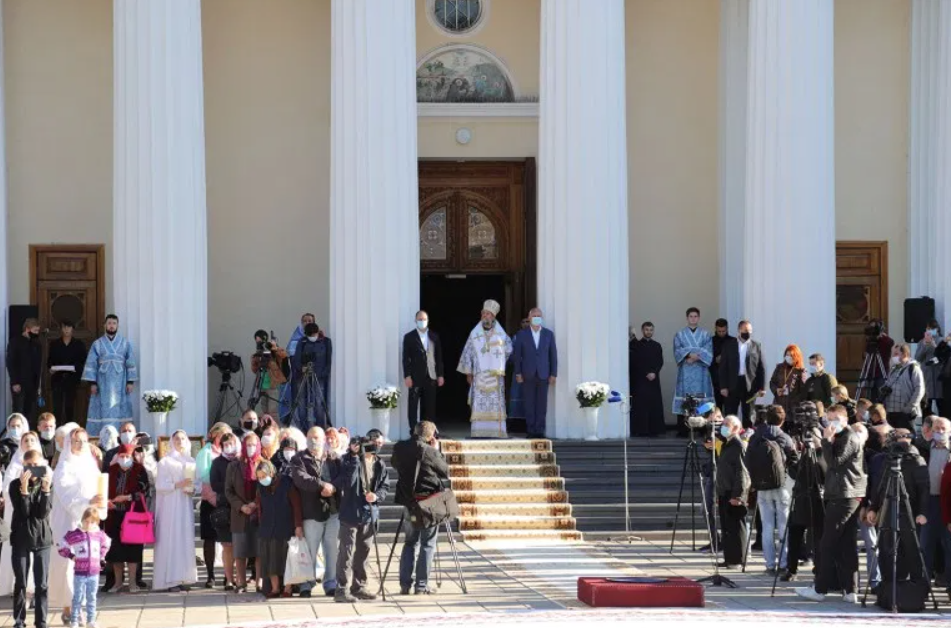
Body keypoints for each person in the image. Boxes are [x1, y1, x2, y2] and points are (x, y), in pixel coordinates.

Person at [796, 405, 867, 603]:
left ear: (845, 419)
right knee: (846, 543)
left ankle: (820, 589)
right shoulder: (842, 437)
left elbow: (834, 463)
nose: (831, 423)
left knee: (827, 543)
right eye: (828, 419)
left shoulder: (849, 437)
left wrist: (826, 441)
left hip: (844, 495)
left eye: (836, 419)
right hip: (843, 493)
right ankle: (850, 589)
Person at [49, 427, 106, 626]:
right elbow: (66, 494)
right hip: (67, 521)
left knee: (86, 562)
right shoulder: (63, 466)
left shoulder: (90, 463)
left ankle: (79, 607)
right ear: (68, 443)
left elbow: (99, 486)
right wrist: (87, 501)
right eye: (76, 441)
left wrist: (100, 503)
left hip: (87, 521)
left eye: (84, 441)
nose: (80, 444)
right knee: (69, 564)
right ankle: (70, 607)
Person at [391, 421, 449, 595]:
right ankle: (421, 585)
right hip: (428, 503)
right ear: (431, 436)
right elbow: (445, 471)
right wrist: (436, 450)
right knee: (427, 543)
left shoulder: (400, 447)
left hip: (409, 502)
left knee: (410, 542)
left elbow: (394, 464)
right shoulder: (430, 451)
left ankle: (405, 584)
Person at [332, 433, 389, 603]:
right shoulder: (348, 460)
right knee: (346, 552)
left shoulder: (379, 463)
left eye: (378, 444)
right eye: (372, 444)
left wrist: (376, 496)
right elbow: (347, 483)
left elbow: (385, 486)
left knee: (363, 552)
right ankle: (341, 589)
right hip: (350, 512)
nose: (375, 447)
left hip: (369, 513)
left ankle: (359, 587)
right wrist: (356, 457)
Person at [747, 406, 799, 575]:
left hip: (762, 486)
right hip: (782, 484)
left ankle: (769, 564)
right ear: (782, 420)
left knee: (767, 526)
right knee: (784, 526)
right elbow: (794, 460)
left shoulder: (756, 436)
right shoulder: (784, 437)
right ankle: (783, 563)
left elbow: (748, 459)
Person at [290, 426, 340, 598]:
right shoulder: (299, 458)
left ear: (324, 439)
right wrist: (321, 485)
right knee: (310, 551)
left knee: (331, 550)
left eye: (317, 437)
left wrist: (332, 487)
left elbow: (342, 477)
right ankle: (306, 584)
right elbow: (301, 479)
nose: (313, 440)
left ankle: (331, 583)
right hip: (311, 512)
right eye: (310, 437)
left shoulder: (334, 458)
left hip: (333, 511)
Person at [457, 300, 513, 438]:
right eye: (483, 313)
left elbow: (509, 348)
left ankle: (497, 431)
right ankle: (479, 431)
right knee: (479, 403)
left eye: (488, 314)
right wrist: (468, 373)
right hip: (479, 374)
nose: (485, 316)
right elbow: (468, 352)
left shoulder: (501, 334)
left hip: (495, 375)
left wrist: (498, 350)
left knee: (495, 404)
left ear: (493, 316)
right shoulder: (474, 333)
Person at [8, 448, 51, 628]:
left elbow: (42, 513)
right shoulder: (14, 485)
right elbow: (23, 512)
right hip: (21, 537)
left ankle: (41, 621)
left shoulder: (47, 483)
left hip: (42, 538)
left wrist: (46, 490)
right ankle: (19, 620)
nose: (33, 469)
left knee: (42, 584)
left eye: (36, 465)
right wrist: (24, 490)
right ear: (23, 465)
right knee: (21, 581)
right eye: (29, 465)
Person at [153, 430, 199, 592]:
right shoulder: (165, 462)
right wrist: (177, 485)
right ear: (172, 441)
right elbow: (160, 485)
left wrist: (192, 488)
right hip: (170, 506)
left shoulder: (191, 461)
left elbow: (196, 482)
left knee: (183, 538)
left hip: (185, 504)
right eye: (177, 439)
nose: (180, 441)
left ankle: (183, 576)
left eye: (183, 438)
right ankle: (169, 580)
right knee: (171, 538)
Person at [3, 435, 45, 598]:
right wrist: (23, 486)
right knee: (20, 559)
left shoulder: (43, 466)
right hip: (19, 516)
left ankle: (35, 591)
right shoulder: (14, 465)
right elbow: (7, 490)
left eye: (32, 440)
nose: (29, 443)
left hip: (39, 523)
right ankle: (20, 589)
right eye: (25, 441)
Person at [254, 459, 303, 598]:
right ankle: (275, 588)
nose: (262, 479)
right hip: (267, 528)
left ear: (271, 472)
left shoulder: (286, 483)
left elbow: (296, 506)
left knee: (287, 559)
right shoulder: (261, 487)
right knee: (269, 559)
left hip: (285, 527)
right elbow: (260, 506)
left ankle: (288, 588)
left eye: (264, 476)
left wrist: (298, 526)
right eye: (259, 477)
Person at [81, 315, 138, 435]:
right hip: (102, 383)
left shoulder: (124, 343)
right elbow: (91, 363)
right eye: (109, 323)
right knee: (102, 409)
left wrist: (130, 382)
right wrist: (92, 383)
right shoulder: (97, 344)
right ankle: (100, 436)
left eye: (114, 323)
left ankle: (121, 435)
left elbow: (131, 362)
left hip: (120, 383)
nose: (111, 326)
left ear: (117, 326)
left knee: (120, 409)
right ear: (105, 325)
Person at [104, 443, 149, 593]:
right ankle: (117, 583)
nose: (124, 459)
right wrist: (107, 502)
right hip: (114, 515)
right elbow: (102, 489)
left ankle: (133, 583)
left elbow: (144, 490)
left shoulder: (139, 470)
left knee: (133, 551)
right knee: (115, 551)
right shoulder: (111, 470)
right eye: (122, 456)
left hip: (133, 515)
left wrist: (127, 497)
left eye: (127, 456)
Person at [59, 507, 110, 628]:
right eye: (86, 521)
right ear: (82, 520)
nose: (88, 524)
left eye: (92, 522)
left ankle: (91, 620)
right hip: (79, 573)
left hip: (94, 573)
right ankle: (74, 620)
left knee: (91, 597)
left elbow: (106, 543)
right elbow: (61, 545)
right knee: (78, 597)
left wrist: (101, 556)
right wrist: (71, 556)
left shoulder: (99, 535)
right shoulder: (75, 535)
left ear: (96, 523)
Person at [513, 307, 558, 439]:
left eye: (539, 316)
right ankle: (531, 430)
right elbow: (517, 356)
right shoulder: (522, 334)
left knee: (542, 404)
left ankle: (540, 430)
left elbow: (553, 355)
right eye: (534, 316)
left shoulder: (548, 334)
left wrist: (553, 373)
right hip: (527, 374)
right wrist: (518, 373)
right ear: (529, 318)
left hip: (544, 374)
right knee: (529, 403)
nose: (537, 318)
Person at [225, 432, 262, 593]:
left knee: (259, 551)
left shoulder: (264, 464)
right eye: (248, 445)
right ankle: (241, 582)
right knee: (240, 551)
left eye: (253, 445)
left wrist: (255, 503)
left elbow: (267, 487)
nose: (250, 448)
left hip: (258, 513)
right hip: (239, 513)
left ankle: (259, 582)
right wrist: (241, 506)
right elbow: (228, 490)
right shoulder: (233, 466)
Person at [195, 422, 230, 588]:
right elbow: (203, 475)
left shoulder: (230, 450)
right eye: (222, 435)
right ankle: (210, 575)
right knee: (209, 539)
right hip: (209, 499)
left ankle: (228, 575)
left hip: (227, 499)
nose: (225, 438)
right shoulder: (206, 452)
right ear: (215, 436)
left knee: (228, 540)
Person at [918, 416, 951, 585]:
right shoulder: (922, 448)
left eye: (943, 428)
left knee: (949, 545)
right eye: (937, 428)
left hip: (948, 503)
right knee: (925, 545)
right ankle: (924, 587)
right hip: (928, 502)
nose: (940, 431)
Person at [715, 415, 750, 568]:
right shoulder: (726, 444)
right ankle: (729, 557)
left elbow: (742, 473)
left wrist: (738, 495)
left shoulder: (738, 446)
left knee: (736, 527)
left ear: (736, 428)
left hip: (734, 492)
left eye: (727, 424)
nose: (723, 427)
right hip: (724, 490)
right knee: (727, 527)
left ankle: (737, 559)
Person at [718, 320, 765, 429]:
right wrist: (723, 386)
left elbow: (760, 368)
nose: (748, 333)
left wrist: (761, 387)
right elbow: (723, 367)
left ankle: (748, 436)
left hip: (749, 385)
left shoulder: (756, 345)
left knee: (749, 414)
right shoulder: (729, 345)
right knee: (730, 414)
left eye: (750, 331)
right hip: (732, 385)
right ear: (739, 330)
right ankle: (730, 436)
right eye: (745, 330)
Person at [402, 310, 445, 431]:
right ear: (415, 321)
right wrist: (407, 375)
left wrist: (440, 375)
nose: (422, 321)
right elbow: (406, 358)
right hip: (415, 377)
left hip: (431, 376)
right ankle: (414, 432)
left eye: (424, 319)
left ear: (428, 320)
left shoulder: (434, 336)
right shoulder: (409, 337)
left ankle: (429, 432)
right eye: (420, 319)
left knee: (430, 406)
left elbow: (438, 357)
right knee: (413, 405)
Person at [288, 322, 333, 430]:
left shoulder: (326, 342)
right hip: (302, 376)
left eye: (313, 335)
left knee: (319, 402)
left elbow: (328, 361)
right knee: (301, 402)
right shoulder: (302, 341)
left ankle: (320, 429)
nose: (312, 337)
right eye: (309, 336)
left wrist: (323, 374)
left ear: (318, 332)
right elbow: (296, 358)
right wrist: (301, 368)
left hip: (319, 377)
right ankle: (304, 430)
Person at [672, 307, 714, 418]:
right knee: (686, 399)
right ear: (687, 318)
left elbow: (708, 350)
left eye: (695, 316)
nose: (693, 318)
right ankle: (684, 425)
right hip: (686, 369)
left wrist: (695, 356)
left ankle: (701, 425)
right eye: (691, 316)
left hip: (701, 371)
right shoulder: (680, 334)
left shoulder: (706, 334)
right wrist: (689, 355)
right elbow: (677, 350)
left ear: (698, 318)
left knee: (701, 398)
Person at [630, 322, 665, 437]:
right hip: (641, 380)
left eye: (651, 330)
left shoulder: (657, 345)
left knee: (654, 404)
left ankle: (655, 430)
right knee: (641, 405)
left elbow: (660, 361)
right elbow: (636, 362)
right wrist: (646, 373)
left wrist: (654, 372)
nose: (649, 332)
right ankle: (641, 430)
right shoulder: (637, 345)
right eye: (646, 329)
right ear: (642, 330)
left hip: (654, 379)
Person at [48, 321, 87, 425]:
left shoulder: (79, 344)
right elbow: (50, 361)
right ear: (61, 329)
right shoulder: (54, 344)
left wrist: (75, 368)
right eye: (64, 327)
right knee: (57, 407)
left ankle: (69, 429)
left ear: (72, 329)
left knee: (70, 407)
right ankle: (56, 429)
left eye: (68, 327)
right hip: (57, 379)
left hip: (72, 379)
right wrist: (51, 368)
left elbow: (83, 361)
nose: (66, 330)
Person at [882, 344, 925, 432]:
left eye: (896, 354)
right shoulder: (894, 368)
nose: (893, 356)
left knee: (906, 436)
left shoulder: (913, 368)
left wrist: (909, 408)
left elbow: (919, 390)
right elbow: (888, 384)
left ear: (904, 354)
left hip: (905, 413)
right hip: (891, 411)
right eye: (892, 354)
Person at [6, 318, 42, 422]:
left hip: (32, 384)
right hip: (19, 383)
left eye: (38, 331)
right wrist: (15, 382)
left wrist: (38, 385)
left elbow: (38, 365)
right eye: (35, 330)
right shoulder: (15, 342)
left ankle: (28, 431)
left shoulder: (36, 344)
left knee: (29, 411)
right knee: (18, 411)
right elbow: (10, 363)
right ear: (27, 329)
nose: (37, 333)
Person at [250, 330, 288, 416]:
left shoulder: (273, 351)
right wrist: (255, 358)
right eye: (257, 341)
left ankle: (274, 424)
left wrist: (275, 348)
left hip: (272, 386)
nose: (259, 343)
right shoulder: (257, 354)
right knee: (264, 411)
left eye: (260, 340)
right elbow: (254, 370)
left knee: (272, 412)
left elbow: (284, 355)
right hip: (261, 386)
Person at [915, 320, 945, 417]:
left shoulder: (941, 341)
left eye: (932, 328)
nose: (930, 330)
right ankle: (926, 424)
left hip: (939, 377)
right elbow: (917, 358)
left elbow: (944, 357)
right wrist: (925, 345)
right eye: (928, 328)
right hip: (926, 377)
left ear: (937, 329)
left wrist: (935, 346)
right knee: (926, 407)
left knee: (942, 407)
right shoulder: (921, 342)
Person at [769, 344, 806, 420]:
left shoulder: (801, 371)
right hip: (779, 405)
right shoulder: (779, 367)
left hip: (793, 408)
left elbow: (803, 391)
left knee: (791, 426)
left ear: (796, 356)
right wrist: (776, 390)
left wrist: (794, 400)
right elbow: (772, 382)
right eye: (787, 355)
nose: (788, 357)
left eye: (791, 355)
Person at [711, 319, 731, 412]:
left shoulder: (733, 341)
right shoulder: (710, 341)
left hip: (729, 381)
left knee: (729, 409)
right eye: (719, 331)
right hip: (715, 380)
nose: (722, 333)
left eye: (724, 331)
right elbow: (705, 359)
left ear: (727, 329)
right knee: (717, 409)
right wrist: (715, 360)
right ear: (715, 329)